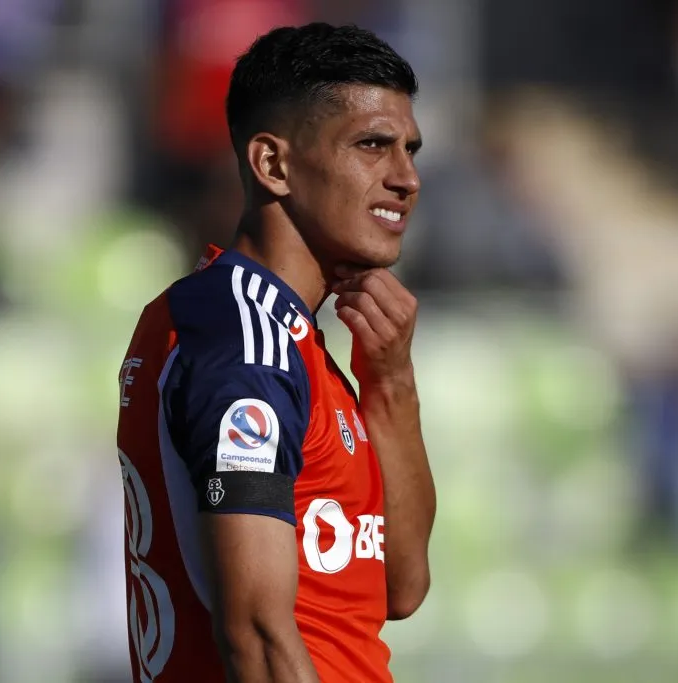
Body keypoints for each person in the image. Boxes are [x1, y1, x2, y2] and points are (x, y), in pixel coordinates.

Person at [115, 23, 436, 683]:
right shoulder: (243, 337)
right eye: (372, 145)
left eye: (410, 149)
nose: (406, 178)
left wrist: (392, 383)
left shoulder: (297, 341)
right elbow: (257, 635)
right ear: (272, 164)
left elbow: (398, 587)